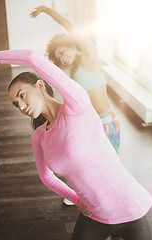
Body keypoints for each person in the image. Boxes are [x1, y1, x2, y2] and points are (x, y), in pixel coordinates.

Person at [0, 49, 152, 240]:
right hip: (95, 215)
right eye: (15, 104)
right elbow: (46, 177)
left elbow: (31, 57)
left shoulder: (76, 106)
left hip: (135, 212)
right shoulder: (39, 136)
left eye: (22, 96)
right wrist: (75, 199)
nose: (20, 106)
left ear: (39, 85)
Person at [30, 5, 120, 154]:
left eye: (62, 52)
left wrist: (46, 10)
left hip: (106, 121)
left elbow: (69, 25)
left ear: (71, 44)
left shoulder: (89, 56)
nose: (62, 58)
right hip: (90, 123)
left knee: (110, 164)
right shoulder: (73, 71)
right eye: (59, 58)